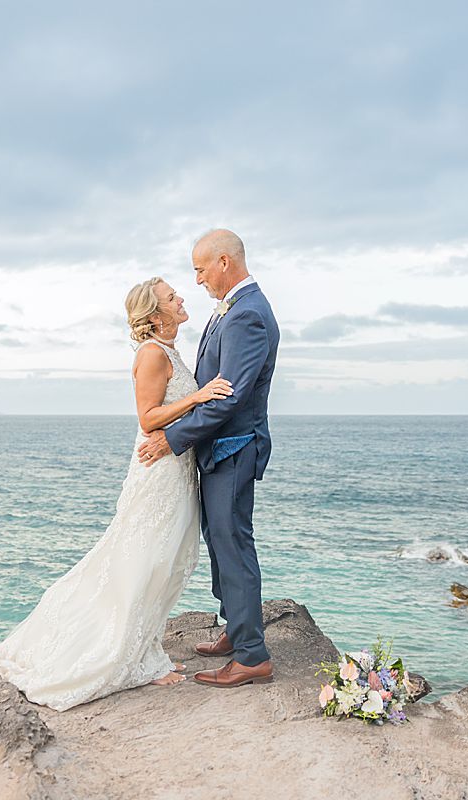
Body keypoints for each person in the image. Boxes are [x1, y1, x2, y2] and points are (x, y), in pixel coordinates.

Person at [0, 277, 234, 710]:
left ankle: (144, 650)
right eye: (172, 296)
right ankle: (121, 656)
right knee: (140, 559)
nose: (181, 298)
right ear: (156, 315)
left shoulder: (170, 350)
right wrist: (197, 396)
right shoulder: (152, 354)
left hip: (176, 471)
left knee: (163, 561)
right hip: (158, 473)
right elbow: (148, 416)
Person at [136, 229, 280, 688]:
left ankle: (251, 656)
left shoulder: (247, 316)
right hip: (219, 448)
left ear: (223, 262)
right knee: (220, 543)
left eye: (199, 269)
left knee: (233, 546)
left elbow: (228, 400)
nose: (196, 280)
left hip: (233, 447)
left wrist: (171, 439)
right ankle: (237, 632)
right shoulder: (234, 309)